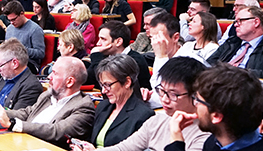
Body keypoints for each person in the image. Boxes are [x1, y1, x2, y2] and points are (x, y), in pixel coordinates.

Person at [77, 57, 210, 151]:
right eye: (162, 91)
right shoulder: (156, 121)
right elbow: (123, 148)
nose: (164, 99)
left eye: (173, 94)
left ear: (195, 95)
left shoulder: (205, 135)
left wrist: (176, 134)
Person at [166, 64, 263, 151]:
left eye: (198, 100)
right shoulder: (214, 143)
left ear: (216, 116)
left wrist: (176, 141)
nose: (195, 105)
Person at [0, 57, 95, 148]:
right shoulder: (48, 95)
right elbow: (27, 113)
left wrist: (14, 125)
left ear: (70, 82)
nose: (49, 77)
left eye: (55, 73)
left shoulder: (83, 106)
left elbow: (57, 131)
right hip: (22, 142)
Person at [89, 55, 155, 148]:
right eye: (102, 85)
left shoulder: (144, 115)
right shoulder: (103, 106)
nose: (104, 91)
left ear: (127, 82)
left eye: (108, 85)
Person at [207, 6, 263, 79]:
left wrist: (236, 72)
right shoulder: (231, 42)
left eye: (240, 21)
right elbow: (208, 64)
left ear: (256, 22)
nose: (235, 25)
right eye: (235, 22)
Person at [86, 21, 151, 89]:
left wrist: (95, 55)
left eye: (103, 39)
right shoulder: (107, 55)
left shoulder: (134, 60)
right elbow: (88, 79)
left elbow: (106, 82)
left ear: (118, 42)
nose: (98, 44)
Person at [3, 0, 46, 70]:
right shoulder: (9, 28)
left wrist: (21, 49)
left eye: (14, 19)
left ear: (22, 14)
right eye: (9, 20)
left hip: (29, 63)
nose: (12, 23)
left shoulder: (35, 29)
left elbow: (40, 53)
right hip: (11, 60)